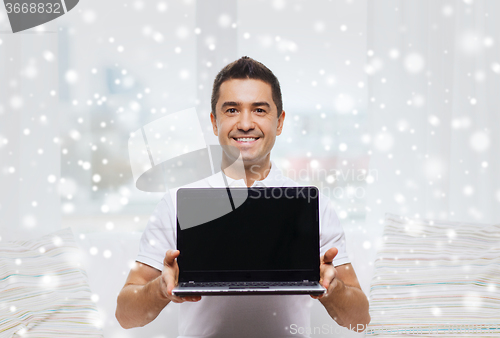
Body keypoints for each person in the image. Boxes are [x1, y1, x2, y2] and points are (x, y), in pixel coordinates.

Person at [116, 56, 370, 337]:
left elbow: (357, 319)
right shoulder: (176, 204)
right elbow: (127, 316)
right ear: (215, 123)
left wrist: (334, 290)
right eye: (232, 110)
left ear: (280, 121)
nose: (246, 123)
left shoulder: (313, 206)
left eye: (259, 110)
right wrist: (159, 289)